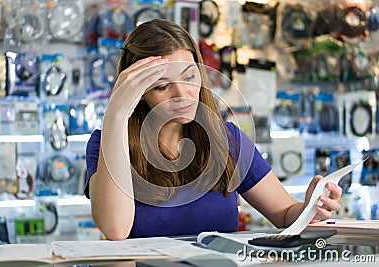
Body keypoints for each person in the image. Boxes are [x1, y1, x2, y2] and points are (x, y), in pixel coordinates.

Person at [84, 19, 342, 240]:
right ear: (138, 93)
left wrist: (311, 209)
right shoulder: (106, 143)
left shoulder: (227, 140)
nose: (182, 94)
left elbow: (285, 214)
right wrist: (117, 112)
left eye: (189, 77)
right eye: (162, 86)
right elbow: (116, 229)